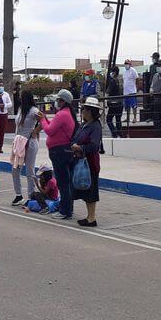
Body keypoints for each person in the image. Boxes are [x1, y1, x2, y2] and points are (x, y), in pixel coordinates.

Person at [37, 89, 77, 220]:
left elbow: (49, 130)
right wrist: (45, 120)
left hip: (59, 152)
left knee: (63, 183)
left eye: (58, 100)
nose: (56, 102)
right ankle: (67, 208)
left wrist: (42, 120)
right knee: (67, 182)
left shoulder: (62, 114)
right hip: (65, 151)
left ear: (62, 101)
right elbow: (53, 128)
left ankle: (65, 211)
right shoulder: (66, 114)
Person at [70, 97, 103, 227]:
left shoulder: (95, 126)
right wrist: (74, 145)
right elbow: (75, 137)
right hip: (81, 160)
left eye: (84, 109)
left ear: (90, 111)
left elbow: (94, 146)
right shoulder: (84, 125)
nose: (82, 111)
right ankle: (89, 216)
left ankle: (92, 217)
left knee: (91, 189)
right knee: (86, 189)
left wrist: (81, 148)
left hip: (91, 162)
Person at [10, 90, 40, 207]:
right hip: (19, 142)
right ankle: (18, 195)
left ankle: (31, 195)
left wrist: (35, 132)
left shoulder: (34, 111)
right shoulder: (20, 110)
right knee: (15, 169)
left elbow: (44, 121)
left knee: (29, 170)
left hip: (30, 143)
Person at [105, 65, 124, 138]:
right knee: (118, 120)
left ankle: (114, 133)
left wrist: (105, 100)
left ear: (114, 72)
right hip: (120, 103)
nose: (111, 73)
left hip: (113, 104)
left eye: (111, 72)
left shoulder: (113, 81)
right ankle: (120, 134)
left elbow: (107, 92)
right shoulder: (120, 80)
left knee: (109, 119)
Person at [122, 59, 139, 124]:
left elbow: (137, 79)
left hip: (132, 91)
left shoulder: (133, 71)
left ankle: (134, 118)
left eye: (127, 63)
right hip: (125, 92)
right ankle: (128, 118)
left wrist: (136, 89)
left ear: (130, 64)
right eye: (125, 63)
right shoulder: (124, 71)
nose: (126, 65)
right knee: (127, 106)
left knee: (134, 106)